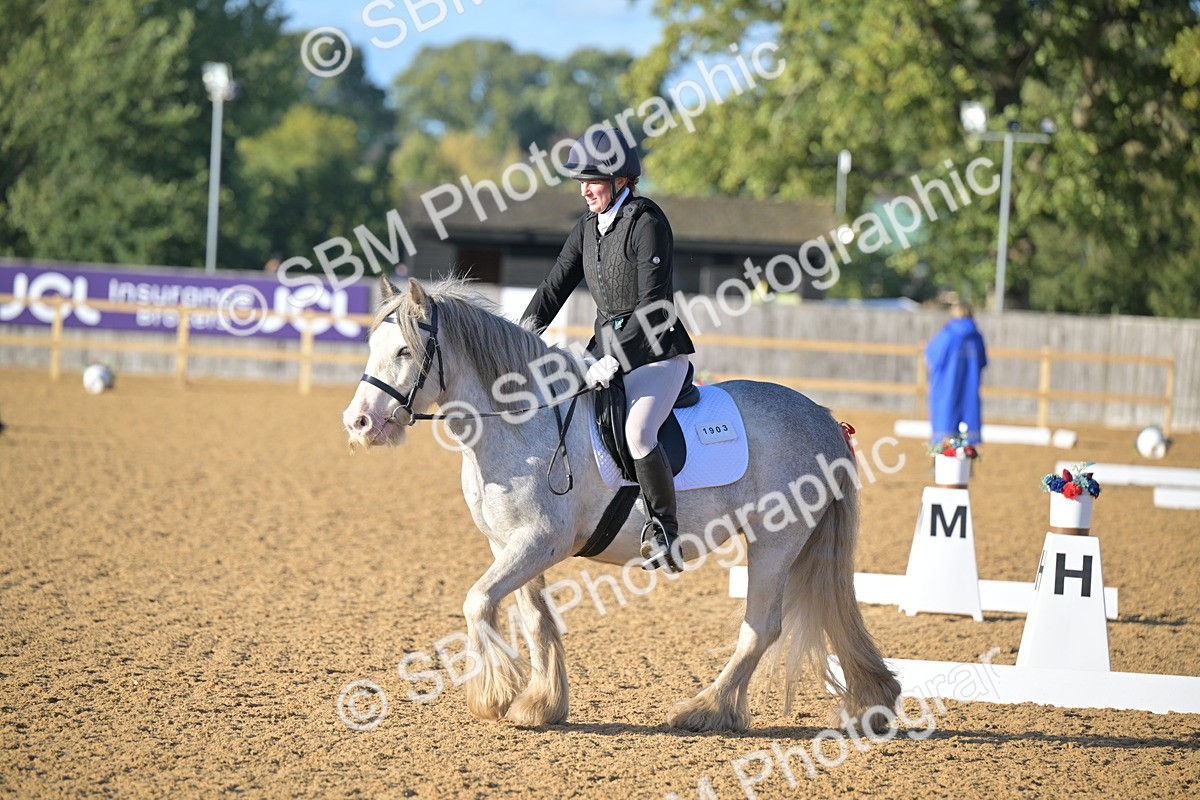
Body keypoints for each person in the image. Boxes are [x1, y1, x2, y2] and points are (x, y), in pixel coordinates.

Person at [522, 129, 695, 571]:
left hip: (656, 353)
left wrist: (614, 359)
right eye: (581, 181)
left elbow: (653, 306)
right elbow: (553, 288)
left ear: (621, 180)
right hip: (602, 354)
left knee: (638, 432)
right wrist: (519, 340)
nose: (585, 189)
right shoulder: (586, 227)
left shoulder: (646, 222)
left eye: (594, 180)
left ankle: (664, 529)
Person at [925, 301, 987, 444]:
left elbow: (932, 359)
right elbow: (982, 363)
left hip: (947, 390)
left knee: (944, 431)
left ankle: (938, 464)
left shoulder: (947, 335)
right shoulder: (976, 337)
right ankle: (967, 466)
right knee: (967, 436)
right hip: (969, 392)